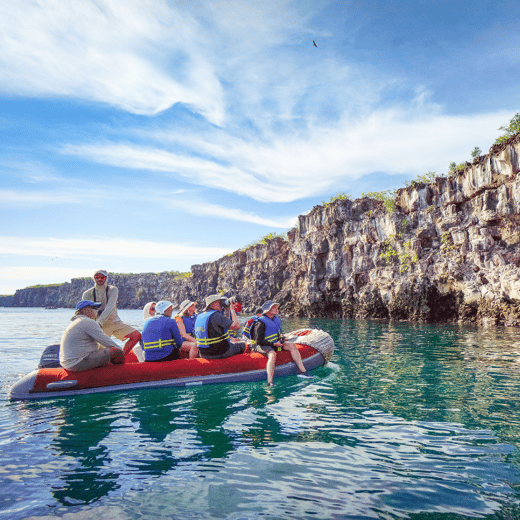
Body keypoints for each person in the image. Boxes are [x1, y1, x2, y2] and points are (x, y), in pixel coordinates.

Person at [250, 300, 313, 386]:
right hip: (262, 345)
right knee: (272, 354)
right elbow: (258, 341)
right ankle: (270, 382)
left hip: (276, 343)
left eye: (276, 307)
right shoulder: (260, 323)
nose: (277, 309)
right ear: (268, 310)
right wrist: (274, 344)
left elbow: (279, 333)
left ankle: (303, 372)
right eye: (274, 307)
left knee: (292, 345)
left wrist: (281, 338)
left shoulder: (275, 319)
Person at [82, 269, 141, 357]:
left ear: (106, 278)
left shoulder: (113, 290)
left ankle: (121, 357)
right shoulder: (87, 294)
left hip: (114, 322)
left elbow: (109, 307)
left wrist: (99, 322)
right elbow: (86, 312)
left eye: (102, 277)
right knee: (99, 351)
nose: (99, 279)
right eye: (97, 277)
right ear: (94, 278)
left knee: (136, 336)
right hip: (100, 327)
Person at [59, 300, 126, 371]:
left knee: (105, 349)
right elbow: (106, 341)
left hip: (69, 363)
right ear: (85, 310)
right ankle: (123, 372)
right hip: (78, 363)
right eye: (95, 308)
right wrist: (121, 352)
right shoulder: (87, 322)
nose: (97, 311)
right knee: (116, 351)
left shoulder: (77, 322)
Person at [194, 294, 247, 359]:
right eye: (219, 302)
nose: (221, 304)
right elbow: (236, 327)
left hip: (203, 353)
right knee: (244, 345)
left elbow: (225, 326)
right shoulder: (216, 315)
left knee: (232, 342)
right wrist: (232, 310)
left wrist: (227, 311)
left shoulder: (199, 316)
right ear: (212, 305)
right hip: (219, 352)